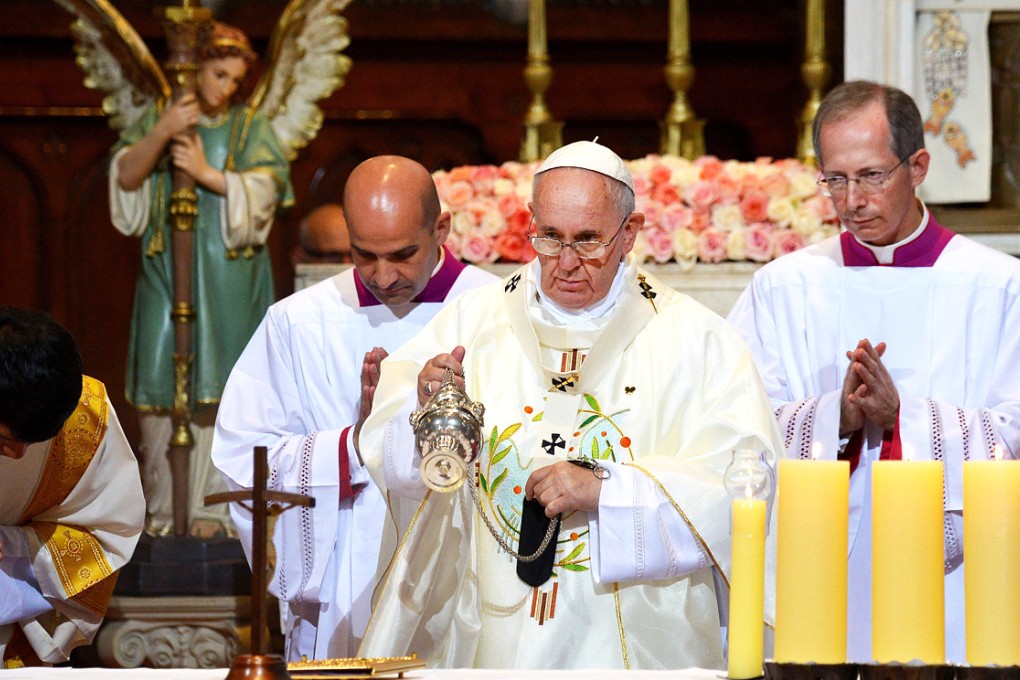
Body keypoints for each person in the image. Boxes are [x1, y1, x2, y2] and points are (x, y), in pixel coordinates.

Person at [357, 140, 784, 669]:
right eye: (550, 237)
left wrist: (612, 490)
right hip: (492, 626)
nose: (565, 263)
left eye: (587, 241)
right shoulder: (473, 322)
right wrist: (425, 412)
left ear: (629, 233)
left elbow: (744, 477)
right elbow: (387, 445)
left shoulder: (695, 340)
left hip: (636, 639)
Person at [726, 80, 1020, 664]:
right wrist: (833, 416)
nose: (852, 200)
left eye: (871, 176)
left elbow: (1013, 429)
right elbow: (737, 426)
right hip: (819, 565)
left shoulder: (998, 286)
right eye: (835, 179)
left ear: (918, 166)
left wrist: (901, 420)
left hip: (958, 581)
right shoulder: (784, 287)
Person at [211, 155, 497, 660]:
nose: (383, 277)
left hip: (465, 582)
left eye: (403, 254)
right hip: (345, 585)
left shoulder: (495, 312)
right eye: (364, 254)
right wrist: (353, 443)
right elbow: (245, 461)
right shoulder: (300, 321)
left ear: (442, 229)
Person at [108, 22, 294, 538]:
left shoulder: (247, 126)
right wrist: (164, 131)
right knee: (160, 379)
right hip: (169, 272)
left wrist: (208, 175)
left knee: (223, 385)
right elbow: (125, 177)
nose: (227, 88)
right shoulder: (163, 117)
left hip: (228, 278)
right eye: (218, 74)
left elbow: (269, 189)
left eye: (236, 80)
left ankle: (214, 509)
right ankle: (166, 511)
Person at [0, 308, 145, 667]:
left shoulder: (87, 418)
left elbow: (110, 534)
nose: (17, 455)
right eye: (4, 439)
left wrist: (15, 545)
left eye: (34, 442)